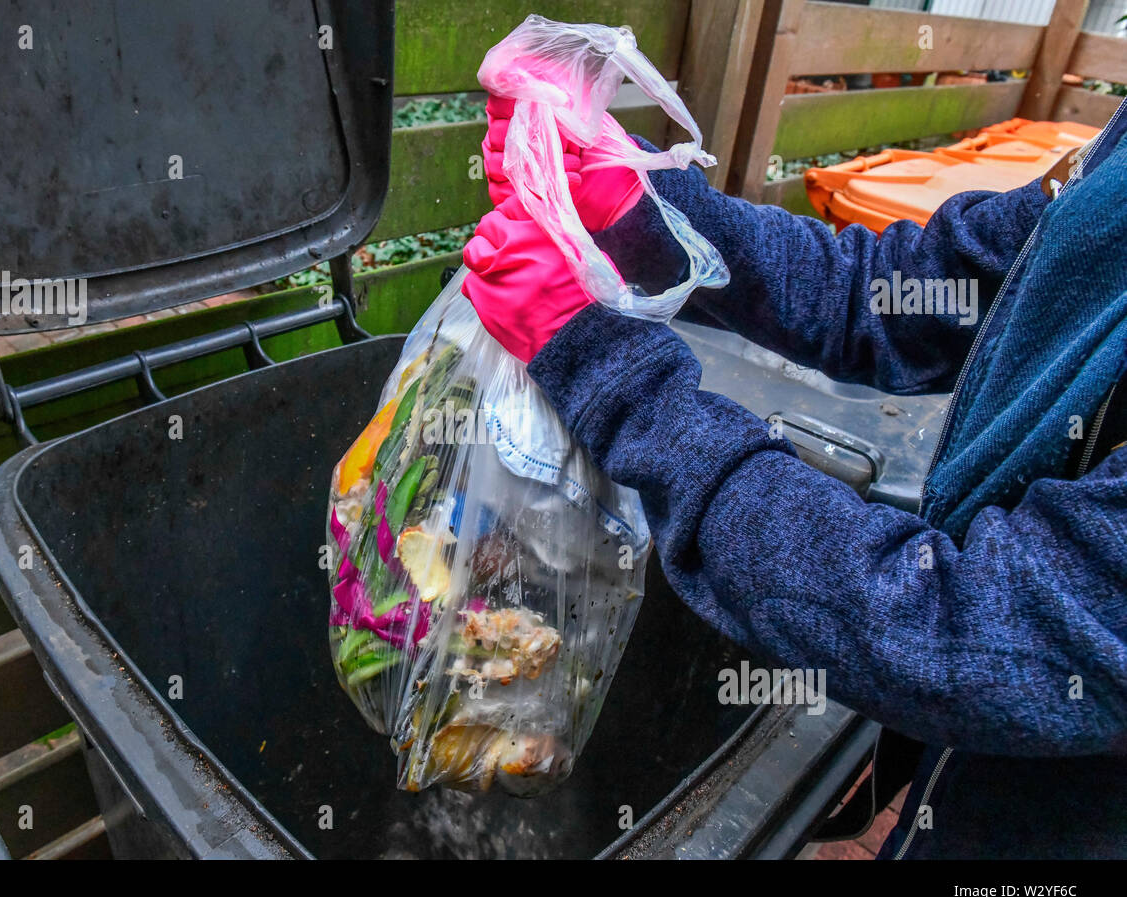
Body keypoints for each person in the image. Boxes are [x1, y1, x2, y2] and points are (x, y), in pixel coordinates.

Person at [459, 95, 1127, 858]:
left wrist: (612, 376)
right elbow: (916, 288)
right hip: (974, 782)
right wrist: (650, 216)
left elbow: (964, 626)